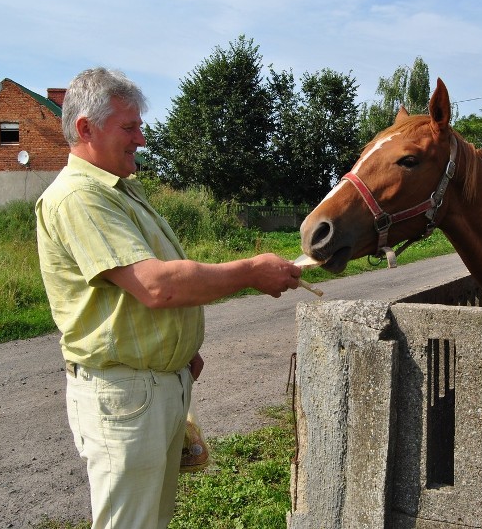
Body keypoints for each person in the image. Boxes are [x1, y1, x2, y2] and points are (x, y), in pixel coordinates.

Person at [35, 67, 301, 528]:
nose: (141, 139)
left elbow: (144, 293)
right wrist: (252, 272)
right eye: (129, 127)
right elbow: (159, 285)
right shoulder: (79, 196)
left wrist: (179, 352)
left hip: (153, 385)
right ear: (85, 128)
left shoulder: (120, 192)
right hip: (126, 394)